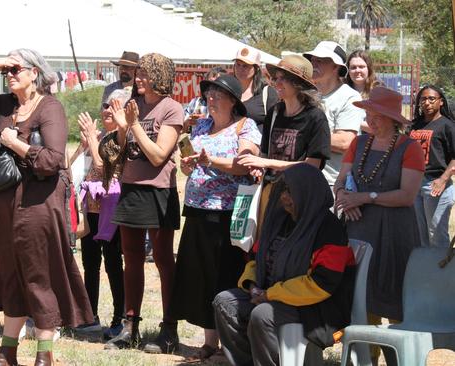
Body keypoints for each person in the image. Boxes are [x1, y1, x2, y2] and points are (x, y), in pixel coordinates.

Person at [0, 48, 93, 366]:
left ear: (35, 72)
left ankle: (45, 354)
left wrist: (17, 144)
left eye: (16, 68)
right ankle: (7, 351)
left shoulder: (50, 107)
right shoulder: (5, 104)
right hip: (1, 205)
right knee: (10, 275)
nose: (10, 74)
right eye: (7, 70)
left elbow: (53, 160)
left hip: (37, 204)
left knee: (37, 277)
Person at [213, 163, 356, 366]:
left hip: (316, 306)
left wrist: (271, 295)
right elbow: (256, 258)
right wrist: (252, 286)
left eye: (290, 191)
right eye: (282, 191)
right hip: (273, 293)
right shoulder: (281, 220)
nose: (283, 197)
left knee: (262, 315)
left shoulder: (329, 229)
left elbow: (323, 284)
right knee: (224, 302)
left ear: (307, 192)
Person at [171, 74, 261, 362]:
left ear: (233, 101)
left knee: (226, 276)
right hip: (197, 209)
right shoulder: (202, 126)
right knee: (201, 276)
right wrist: (188, 165)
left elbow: (245, 163)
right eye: (208, 94)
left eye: (217, 95)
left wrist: (211, 162)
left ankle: (230, 342)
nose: (210, 99)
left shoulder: (245, 128)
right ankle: (209, 341)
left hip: (228, 213)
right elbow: (190, 169)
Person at [334, 86, 424, 365]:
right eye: (369, 113)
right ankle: (365, 359)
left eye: (378, 114)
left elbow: (407, 196)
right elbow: (341, 180)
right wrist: (344, 199)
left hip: (396, 233)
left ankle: (401, 358)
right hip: (359, 230)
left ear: (393, 118)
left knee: (396, 298)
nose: (371, 119)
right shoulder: (358, 144)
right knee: (362, 299)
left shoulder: (410, 148)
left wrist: (365, 197)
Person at [103, 53, 183, 354]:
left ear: (160, 76)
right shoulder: (132, 105)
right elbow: (123, 150)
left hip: (158, 191)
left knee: (163, 259)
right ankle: (130, 326)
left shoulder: (172, 108)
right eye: (139, 74)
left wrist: (134, 124)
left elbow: (159, 155)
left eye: (146, 74)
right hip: (131, 188)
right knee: (131, 258)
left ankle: (169, 329)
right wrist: (123, 128)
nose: (139, 79)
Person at [71, 88, 131, 339]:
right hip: (91, 210)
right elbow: (71, 167)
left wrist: (93, 143)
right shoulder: (100, 137)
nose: (107, 110)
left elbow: (101, 165)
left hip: (112, 210)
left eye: (114, 106)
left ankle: (119, 318)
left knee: (114, 264)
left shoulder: (121, 136)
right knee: (90, 264)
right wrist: (83, 145)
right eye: (106, 105)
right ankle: (89, 315)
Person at [237, 54, 330, 200]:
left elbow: (312, 166)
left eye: (283, 78)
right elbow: (265, 155)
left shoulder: (315, 117)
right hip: (273, 193)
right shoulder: (274, 113)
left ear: (298, 83)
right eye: (276, 78)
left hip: (300, 196)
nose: (276, 83)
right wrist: (259, 168)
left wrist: (267, 162)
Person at [303, 41, 364, 188]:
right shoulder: (305, 94)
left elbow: (345, 142)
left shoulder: (350, 97)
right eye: (312, 60)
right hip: (302, 177)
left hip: (331, 184)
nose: (314, 64)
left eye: (320, 61)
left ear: (336, 67)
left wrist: (303, 134)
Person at [409, 85, 455, 248]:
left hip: (435, 185)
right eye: (423, 99)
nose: (427, 102)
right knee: (419, 234)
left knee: (436, 235)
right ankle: (426, 270)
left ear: (441, 102)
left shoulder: (447, 125)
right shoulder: (416, 125)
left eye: (431, 99)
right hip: (415, 185)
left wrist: (443, 179)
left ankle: (441, 272)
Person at [232, 47, 279, 128]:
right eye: (238, 65)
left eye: (245, 66)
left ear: (256, 68)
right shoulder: (228, 91)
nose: (240, 69)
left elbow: (275, 125)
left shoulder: (267, 92)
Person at [183, 67, 226, 133]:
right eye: (209, 83)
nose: (212, 87)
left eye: (216, 84)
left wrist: (205, 121)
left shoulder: (226, 105)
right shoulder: (195, 102)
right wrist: (187, 123)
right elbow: (182, 130)